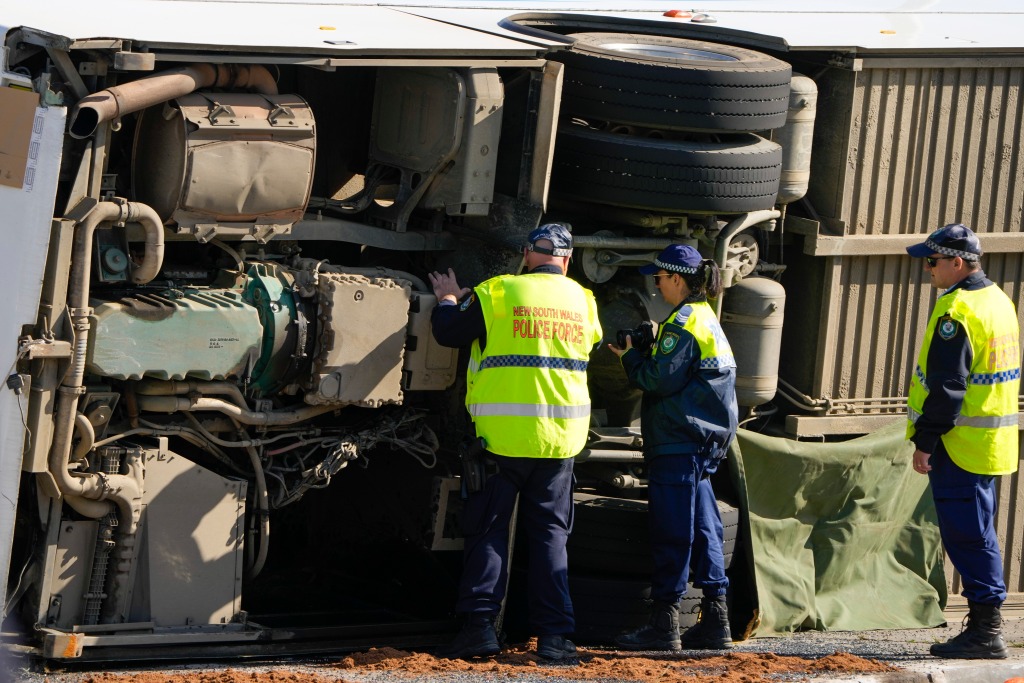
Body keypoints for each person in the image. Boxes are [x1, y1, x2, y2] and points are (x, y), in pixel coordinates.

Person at [428, 223, 603, 662]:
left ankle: (480, 630)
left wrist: (449, 298)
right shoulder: (584, 300)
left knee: (487, 531)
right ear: (567, 259)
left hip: (501, 440)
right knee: (550, 538)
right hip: (559, 442)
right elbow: (589, 345)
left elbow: (449, 333)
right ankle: (556, 639)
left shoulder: (498, 292)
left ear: (528, 254)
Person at [607, 244, 738, 651]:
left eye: (659, 278)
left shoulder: (682, 322)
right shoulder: (704, 318)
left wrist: (631, 358)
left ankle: (665, 623)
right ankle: (716, 620)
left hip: (680, 441)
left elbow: (657, 381)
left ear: (676, 279)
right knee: (704, 526)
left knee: (673, 528)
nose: (656, 284)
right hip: (702, 441)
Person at [904, 223, 1020, 659]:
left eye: (932, 261)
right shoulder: (998, 300)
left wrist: (925, 440)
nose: (927, 269)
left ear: (957, 262)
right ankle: (985, 626)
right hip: (989, 443)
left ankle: (986, 631)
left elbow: (949, 386)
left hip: (960, 445)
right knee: (978, 532)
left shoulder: (957, 311)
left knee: (969, 537)